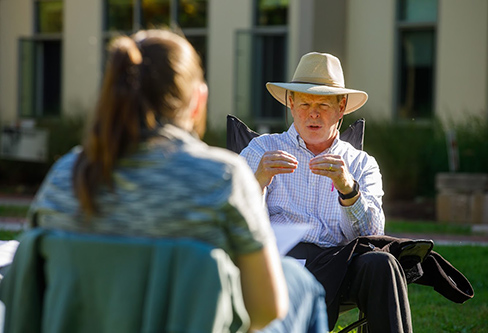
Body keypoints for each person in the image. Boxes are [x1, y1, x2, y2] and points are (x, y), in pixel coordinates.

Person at [26, 30, 328, 332]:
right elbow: (265, 310)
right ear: (198, 99)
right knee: (301, 285)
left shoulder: (65, 175)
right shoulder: (223, 178)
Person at [240, 52, 413, 332]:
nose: (313, 113)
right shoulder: (261, 150)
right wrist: (258, 180)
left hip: (339, 264)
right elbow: (235, 221)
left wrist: (349, 190)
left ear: (341, 107)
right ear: (290, 103)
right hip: (279, 263)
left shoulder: (360, 163)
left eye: (323, 104)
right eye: (305, 103)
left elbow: (372, 236)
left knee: (384, 263)